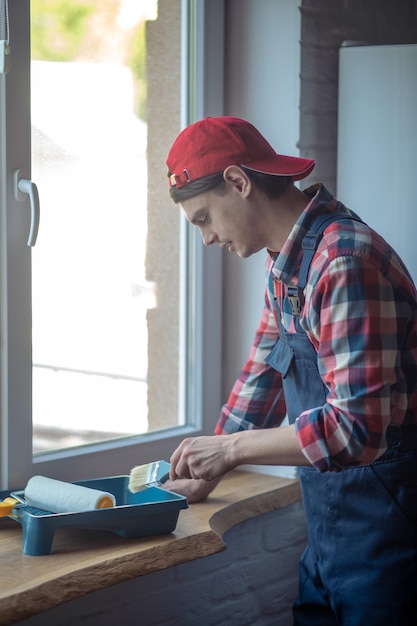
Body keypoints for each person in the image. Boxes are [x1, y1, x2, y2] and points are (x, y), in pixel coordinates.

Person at [163, 115, 417, 625]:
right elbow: (265, 364)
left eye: (204, 219)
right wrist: (206, 464)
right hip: (329, 537)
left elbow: (356, 430)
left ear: (239, 182)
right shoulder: (287, 262)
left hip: (390, 534)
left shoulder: (343, 261)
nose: (207, 239)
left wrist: (232, 450)